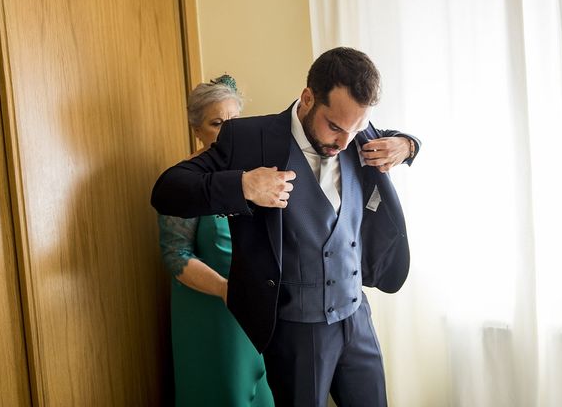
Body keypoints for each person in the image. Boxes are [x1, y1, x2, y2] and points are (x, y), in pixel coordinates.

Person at [152, 48, 420, 407]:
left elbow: (391, 139)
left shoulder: (355, 132)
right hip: (297, 329)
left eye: (355, 129)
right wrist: (243, 185)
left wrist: (408, 145)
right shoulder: (248, 139)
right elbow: (168, 189)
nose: (345, 143)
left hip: (356, 316)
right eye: (336, 127)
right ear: (308, 98)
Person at [157, 75, 274, 407]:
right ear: (197, 130)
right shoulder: (183, 182)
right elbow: (175, 256)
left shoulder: (257, 176)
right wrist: (227, 290)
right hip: (212, 313)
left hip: (256, 309)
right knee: (226, 395)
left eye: (234, 122)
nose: (227, 132)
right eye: (216, 123)